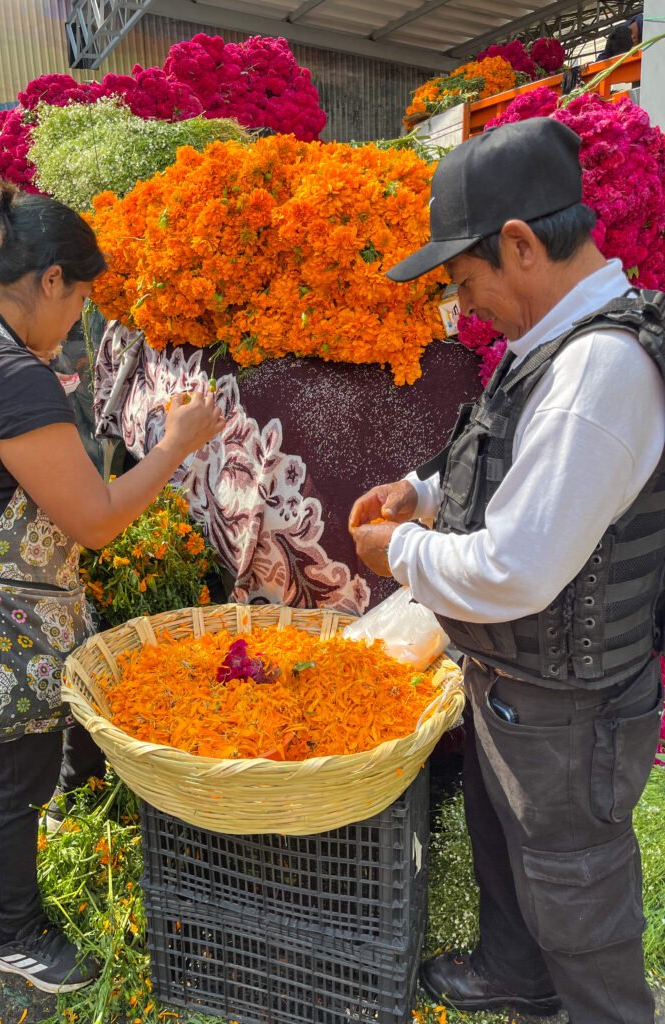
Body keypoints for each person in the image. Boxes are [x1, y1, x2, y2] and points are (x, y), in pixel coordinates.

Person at [349, 118, 664, 1024]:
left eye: (464, 281)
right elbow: (510, 460)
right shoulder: (552, 347)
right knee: (503, 837)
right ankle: (515, 975)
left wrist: (395, 553)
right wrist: (421, 493)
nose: (464, 306)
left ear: (520, 245)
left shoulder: (599, 369)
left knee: (577, 890)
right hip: (518, 681)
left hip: (573, 702)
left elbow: (519, 569)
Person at [0, 181, 225, 993]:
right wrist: (177, 441)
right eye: (79, 301)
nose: (78, 324)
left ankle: (65, 802)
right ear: (49, 281)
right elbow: (98, 520)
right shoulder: (4, 373)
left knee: (61, 715)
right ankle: (14, 934)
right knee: (10, 776)